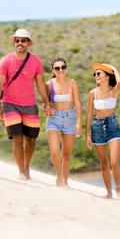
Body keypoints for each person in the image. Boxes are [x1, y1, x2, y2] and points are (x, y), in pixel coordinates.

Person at [0, 28, 51, 181]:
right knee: (17, 138)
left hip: (30, 105)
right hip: (9, 104)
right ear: (15, 42)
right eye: (17, 40)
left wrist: (46, 102)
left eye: (23, 40)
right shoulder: (5, 61)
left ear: (28, 43)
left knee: (31, 140)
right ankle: (21, 171)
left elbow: (40, 84)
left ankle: (26, 167)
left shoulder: (36, 61)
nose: (20, 43)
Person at [86, 63, 120, 199]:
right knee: (104, 162)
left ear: (107, 77)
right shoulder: (92, 93)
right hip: (97, 126)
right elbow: (89, 114)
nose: (96, 76)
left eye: (99, 73)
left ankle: (118, 188)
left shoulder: (113, 91)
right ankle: (108, 193)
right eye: (95, 74)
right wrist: (88, 135)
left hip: (112, 125)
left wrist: (113, 67)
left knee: (114, 161)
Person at [45, 58, 82, 187]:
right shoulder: (49, 84)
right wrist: (48, 107)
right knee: (55, 151)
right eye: (57, 68)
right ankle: (59, 177)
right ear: (53, 70)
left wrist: (78, 122)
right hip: (54, 119)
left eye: (63, 67)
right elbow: (46, 102)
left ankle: (64, 182)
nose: (61, 70)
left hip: (70, 118)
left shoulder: (72, 83)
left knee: (66, 154)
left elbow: (77, 103)